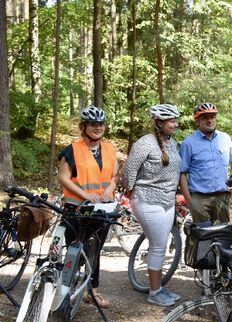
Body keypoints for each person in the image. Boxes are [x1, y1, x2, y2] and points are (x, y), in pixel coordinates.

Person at [58, 106, 119, 309]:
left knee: (94, 251)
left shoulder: (109, 149)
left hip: (101, 208)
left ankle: (92, 292)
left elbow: (115, 175)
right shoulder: (72, 149)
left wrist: (111, 187)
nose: (97, 128)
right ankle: (64, 293)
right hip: (76, 206)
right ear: (84, 127)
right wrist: (85, 195)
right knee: (73, 249)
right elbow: (63, 177)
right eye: (93, 124)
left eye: (100, 124)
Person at [121, 104, 182, 307]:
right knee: (158, 246)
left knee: (159, 244)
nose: (175, 124)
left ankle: (159, 287)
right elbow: (129, 169)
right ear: (159, 123)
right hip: (147, 200)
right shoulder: (145, 143)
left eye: (175, 120)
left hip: (167, 200)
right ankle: (154, 292)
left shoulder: (172, 143)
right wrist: (130, 190)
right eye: (171, 121)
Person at [179, 102, 232, 224]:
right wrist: (190, 201)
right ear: (197, 120)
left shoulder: (225, 138)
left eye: (212, 117)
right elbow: (182, 173)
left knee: (222, 235)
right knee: (202, 237)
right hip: (199, 198)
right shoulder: (188, 143)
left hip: (222, 197)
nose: (210, 120)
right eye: (205, 118)